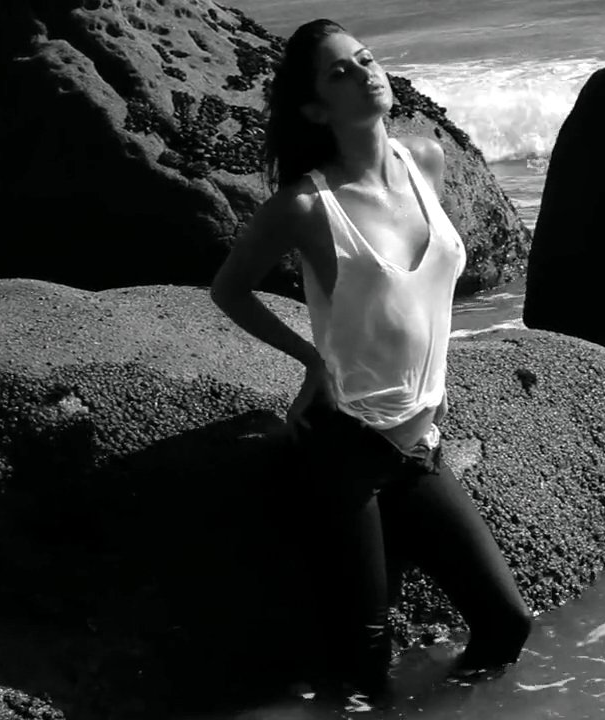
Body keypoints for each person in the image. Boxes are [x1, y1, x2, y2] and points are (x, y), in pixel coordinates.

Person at [209, 18, 532, 699]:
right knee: (362, 670)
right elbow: (229, 290)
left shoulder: (426, 160)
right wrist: (311, 360)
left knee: (506, 623)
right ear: (314, 109)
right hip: (346, 451)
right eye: (341, 72)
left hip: (420, 445)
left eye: (365, 58)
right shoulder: (305, 205)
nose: (365, 73)